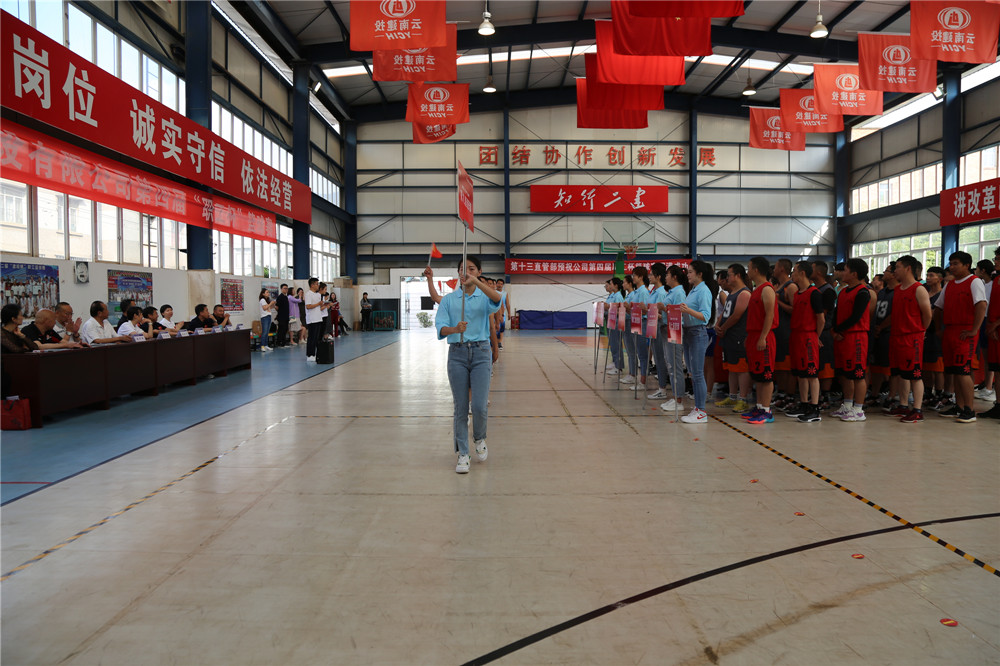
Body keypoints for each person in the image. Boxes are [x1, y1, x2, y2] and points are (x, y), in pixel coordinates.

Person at [434, 255, 503, 474]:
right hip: (458, 354)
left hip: (481, 353)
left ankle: (479, 437)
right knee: (461, 407)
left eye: (472, 269)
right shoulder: (449, 300)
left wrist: (477, 283)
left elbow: (498, 299)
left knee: (480, 406)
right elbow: (440, 327)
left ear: (479, 272)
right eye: (463, 269)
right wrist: (455, 329)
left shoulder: (484, 297)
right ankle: (463, 453)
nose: (466, 272)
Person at [934, 251, 988, 423]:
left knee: (963, 371)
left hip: (965, 331)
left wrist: (974, 329)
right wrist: (938, 329)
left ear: (967, 265)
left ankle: (969, 410)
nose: (952, 267)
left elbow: (981, 305)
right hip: (950, 331)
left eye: (956, 263)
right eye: (950, 263)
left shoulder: (974, 281)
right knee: (955, 372)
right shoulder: (950, 284)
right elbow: (938, 308)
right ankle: (959, 406)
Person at [889, 255, 933, 424]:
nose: (895, 271)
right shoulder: (898, 289)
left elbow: (927, 314)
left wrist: (921, 331)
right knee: (901, 374)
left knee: (915, 374)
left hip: (912, 337)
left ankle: (917, 410)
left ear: (908, 268)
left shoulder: (919, 289)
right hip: (897, 336)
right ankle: (903, 405)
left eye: (897, 267)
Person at [830, 259, 872, 422]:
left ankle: (858, 409)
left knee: (857, 374)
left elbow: (856, 317)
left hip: (856, 337)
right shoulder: (843, 292)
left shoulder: (863, 292)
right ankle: (847, 405)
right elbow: (837, 313)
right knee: (845, 374)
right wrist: (834, 330)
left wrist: (839, 330)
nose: (842, 273)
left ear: (854, 274)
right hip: (842, 337)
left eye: (845, 270)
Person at [786, 261, 825, 423]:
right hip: (796, 336)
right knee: (801, 374)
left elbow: (821, 319)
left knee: (811, 373)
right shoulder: (797, 293)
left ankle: (815, 408)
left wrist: (816, 336)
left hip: (808, 336)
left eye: (794, 271)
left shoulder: (814, 293)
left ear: (802, 273)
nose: (792, 274)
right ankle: (803, 404)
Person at [677, 260, 716, 424]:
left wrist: (688, 310)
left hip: (697, 333)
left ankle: (701, 411)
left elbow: (705, 316)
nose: (688, 275)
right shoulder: (693, 290)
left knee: (698, 373)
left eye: (690, 272)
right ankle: (697, 408)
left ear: (700, 274)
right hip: (688, 333)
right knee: (692, 372)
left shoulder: (704, 291)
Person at [742, 257, 778, 424]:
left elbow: (770, 316)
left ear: (756, 270)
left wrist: (763, 336)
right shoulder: (756, 289)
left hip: (764, 336)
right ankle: (759, 407)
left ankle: (766, 410)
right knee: (757, 374)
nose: (747, 270)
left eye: (749, 267)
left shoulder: (767, 289)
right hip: (754, 335)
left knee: (766, 375)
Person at [716, 263, 752, 414]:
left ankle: (743, 399)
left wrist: (723, 328)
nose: (727, 277)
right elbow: (725, 312)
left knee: (742, 369)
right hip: (728, 336)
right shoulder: (731, 292)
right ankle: (732, 396)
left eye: (729, 274)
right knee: (731, 368)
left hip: (738, 336)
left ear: (737, 276)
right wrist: (718, 324)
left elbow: (737, 315)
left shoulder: (744, 293)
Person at [656, 265, 688, 413]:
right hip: (667, 329)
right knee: (670, 365)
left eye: (668, 275)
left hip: (675, 331)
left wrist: (663, 308)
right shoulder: (672, 292)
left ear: (674, 277)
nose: (666, 277)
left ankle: (679, 399)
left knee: (675, 366)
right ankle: (675, 396)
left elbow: (679, 314)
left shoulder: (679, 293)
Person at [771, 259, 797, 411]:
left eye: (775, 267)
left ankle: (790, 396)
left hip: (787, 332)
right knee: (779, 367)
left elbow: (795, 310)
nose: (773, 269)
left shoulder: (791, 287)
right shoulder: (779, 286)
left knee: (788, 368)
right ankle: (781, 393)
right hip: (778, 332)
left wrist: (778, 302)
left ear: (781, 268)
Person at [621, 266, 651, 386]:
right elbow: (635, 311)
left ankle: (643, 381)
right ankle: (638, 377)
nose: (633, 277)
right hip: (635, 322)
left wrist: (631, 309)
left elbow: (644, 311)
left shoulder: (643, 292)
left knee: (642, 354)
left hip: (641, 323)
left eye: (634, 275)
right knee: (638, 352)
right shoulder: (637, 292)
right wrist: (628, 309)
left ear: (641, 277)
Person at [922, 267, 947, 409]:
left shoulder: (942, 294)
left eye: (931, 275)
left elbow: (932, 314)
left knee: (938, 368)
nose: (928, 278)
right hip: (924, 334)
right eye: (927, 275)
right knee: (926, 366)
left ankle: (939, 394)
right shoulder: (924, 293)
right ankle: (927, 393)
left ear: (940, 279)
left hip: (936, 334)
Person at [980, 246, 1000, 419]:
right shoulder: (996, 280)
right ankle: (998, 405)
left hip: (996, 327)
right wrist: (991, 326)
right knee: (996, 368)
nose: (995, 262)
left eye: (998, 259)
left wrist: (995, 324)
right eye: (995, 259)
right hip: (993, 330)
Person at [647, 264, 671, 400]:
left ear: (658, 276)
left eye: (651, 274)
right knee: (657, 358)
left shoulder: (661, 293)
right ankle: (661, 387)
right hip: (653, 327)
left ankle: (662, 388)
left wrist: (650, 311)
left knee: (661, 359)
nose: (649, 277)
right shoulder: (654, 291)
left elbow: (663, 314)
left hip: (660, 328)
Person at [604, 277, 626, 376]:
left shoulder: (618, 296)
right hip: (610, 320)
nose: (609, 286)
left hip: (616, 321)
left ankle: (619, 367)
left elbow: (620, 311)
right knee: (613, 343)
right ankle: (615, 362)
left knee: (617, 344)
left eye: (611, 284)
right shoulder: (613, 295)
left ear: (616, 286)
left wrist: (608, 308)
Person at [304, 278, 327, 362]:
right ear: (312, 285)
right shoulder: (308, 294)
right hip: (312, 319)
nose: (318, 286)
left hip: (318, 318)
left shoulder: (317, 295)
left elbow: (319, 306)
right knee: (312, 338)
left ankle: (315, 353)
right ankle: (310, 354)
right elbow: (308, 306)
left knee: (316, 338)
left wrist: (323, 304)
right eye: (317, 284)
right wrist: (318, 304)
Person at [496, 278, 511, 350]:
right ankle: (494, 342)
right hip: (494, 314)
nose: (500, 285)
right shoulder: (493, 292)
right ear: (496, 284)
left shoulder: (505, 293)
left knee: (501, 329)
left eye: (501, 284)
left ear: (503, 285)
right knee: (495, 328)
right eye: (498, 283)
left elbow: (507, 304)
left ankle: (499, 343)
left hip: (502, 314)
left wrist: (509, 313)